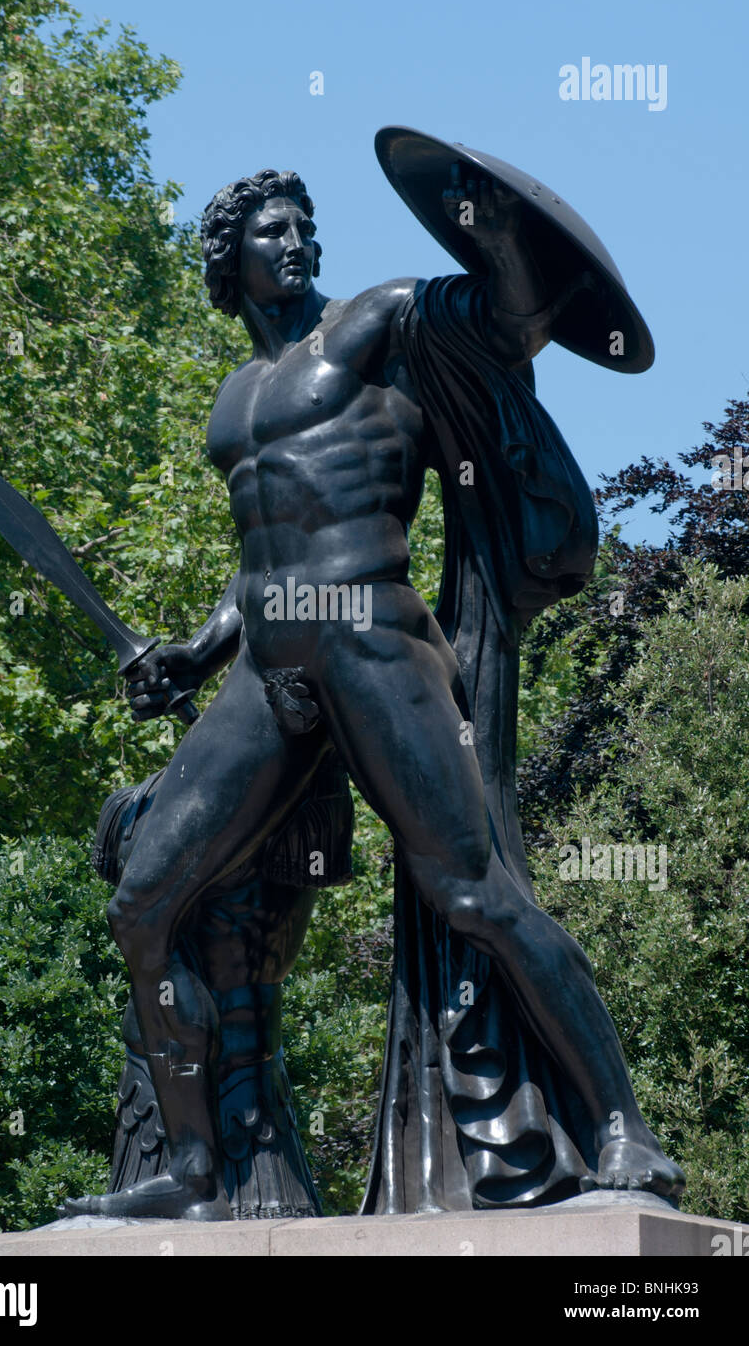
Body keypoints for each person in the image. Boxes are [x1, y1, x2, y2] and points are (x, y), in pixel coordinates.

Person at [61, 165, 684, 1220]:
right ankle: (193, 1168)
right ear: (231, 259)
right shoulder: (233, 396)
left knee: (476, 892)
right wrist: (195, 650)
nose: (296, 244)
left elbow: (506, 318)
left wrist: (494, 227)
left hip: (370, 633)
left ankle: (625, 1124)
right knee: (142, 906)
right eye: (272, 232)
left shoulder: (375, 322)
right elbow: (263, 546)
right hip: (268, 660)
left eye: (304, 228)